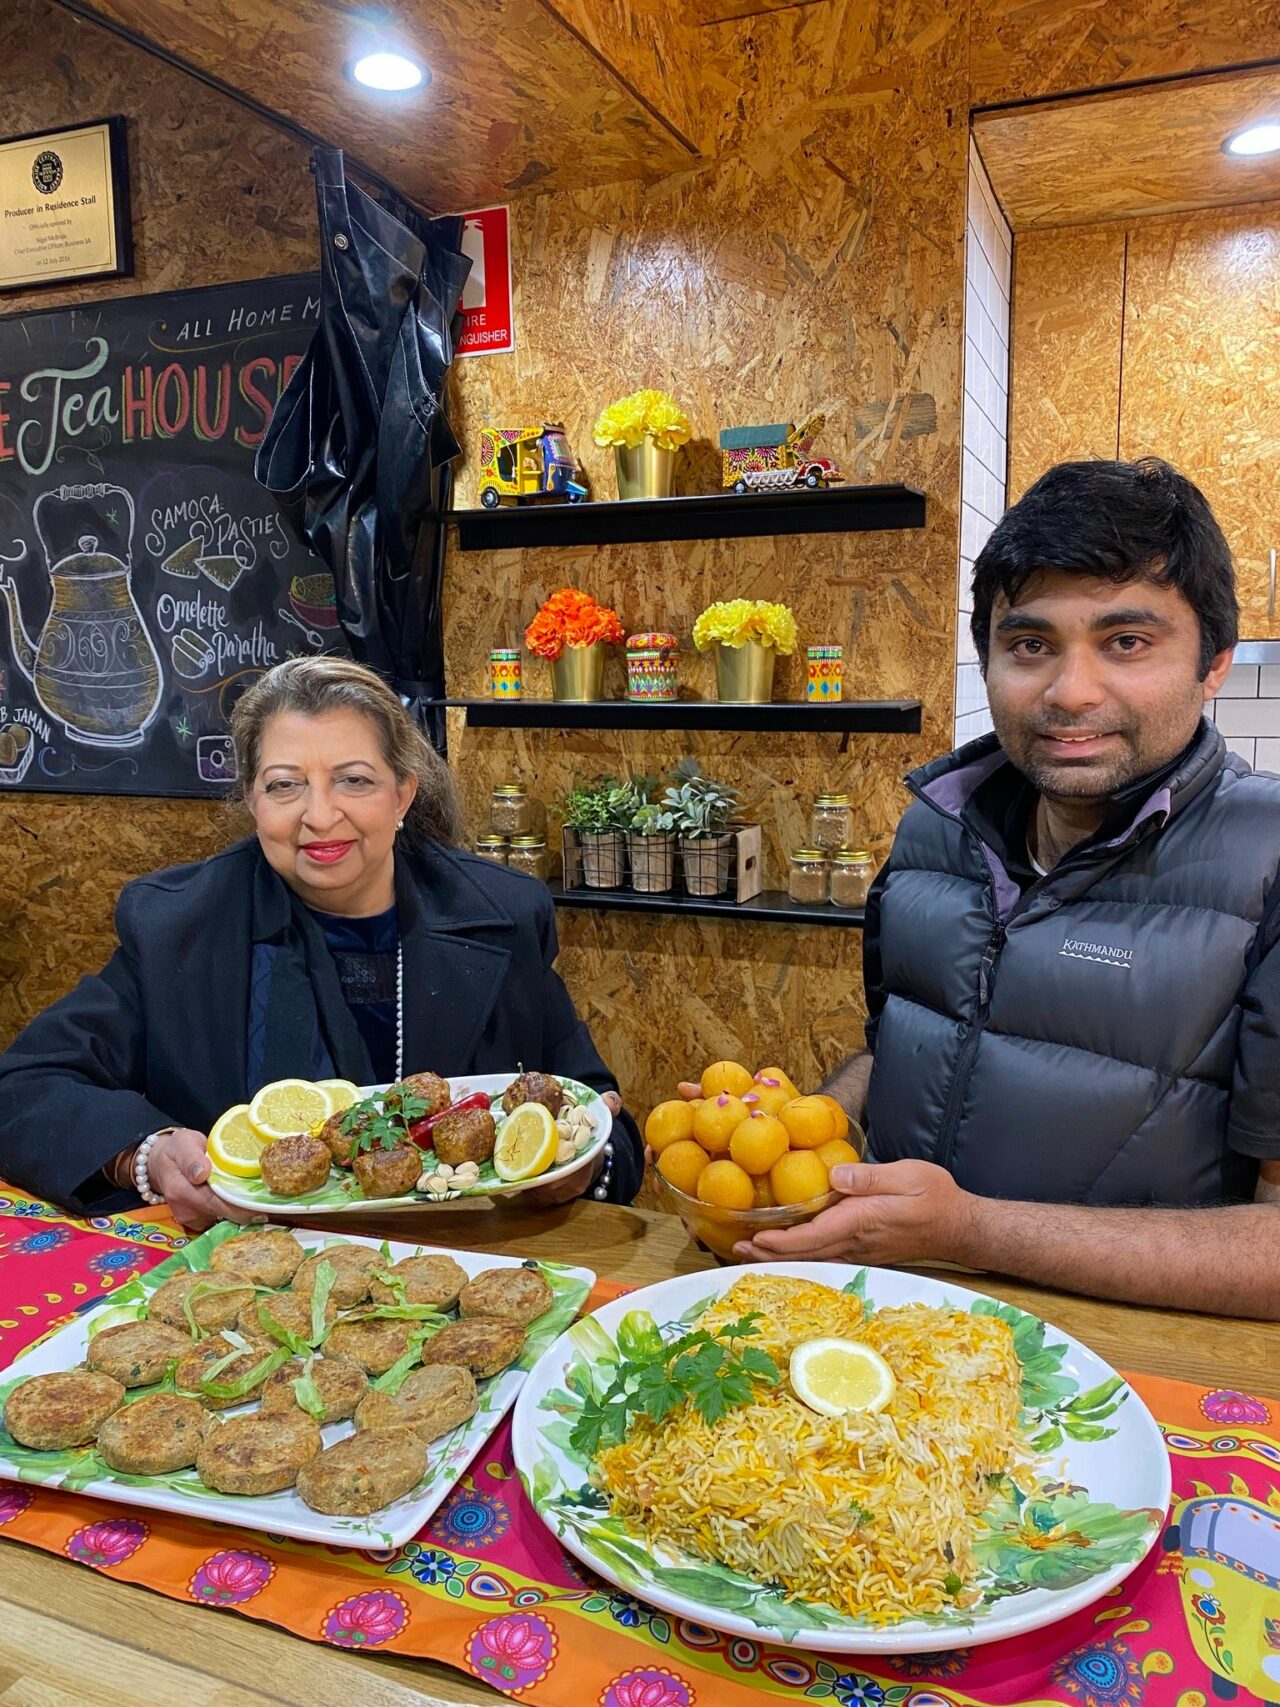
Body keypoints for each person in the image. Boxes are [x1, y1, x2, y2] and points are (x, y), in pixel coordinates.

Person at [729, 458, 1280, 1320]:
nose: (1070, 692)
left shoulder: (1269, 862)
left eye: (1126, 642)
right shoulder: (933, 829)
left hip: (1122, 1387)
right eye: (1031, 645)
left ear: (1214, 663)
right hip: (890, 1341)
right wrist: (795, 1126)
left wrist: (971, 1232)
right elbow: (905, 1043)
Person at [0, 657, 641, 1227]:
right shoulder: (177, 929)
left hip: (467, 1264)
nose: (319, 814)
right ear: (252, 799)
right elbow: (27, 1087)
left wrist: (581, 1162)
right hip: (248, 1277)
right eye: (285, 784)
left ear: (402, 794)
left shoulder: (501, 913)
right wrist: (146, 1154)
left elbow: (602, 1118)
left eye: (354, 780)